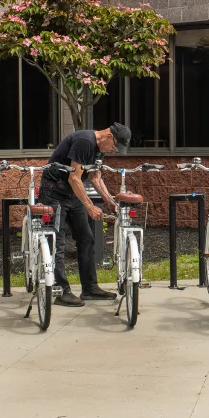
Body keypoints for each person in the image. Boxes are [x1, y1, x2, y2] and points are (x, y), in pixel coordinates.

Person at [38, 123, 130, 307]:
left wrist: (111, 203)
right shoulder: (84, 141)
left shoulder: (98, 149)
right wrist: (90, 206)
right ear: (109, 137)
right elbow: (74, 177)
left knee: (86, 237)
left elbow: (95, 178)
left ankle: (89, 288)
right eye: (114, 146)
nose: (113, 151)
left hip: (71, 193)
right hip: (54, 191)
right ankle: (61, 291)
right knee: (58, 241)